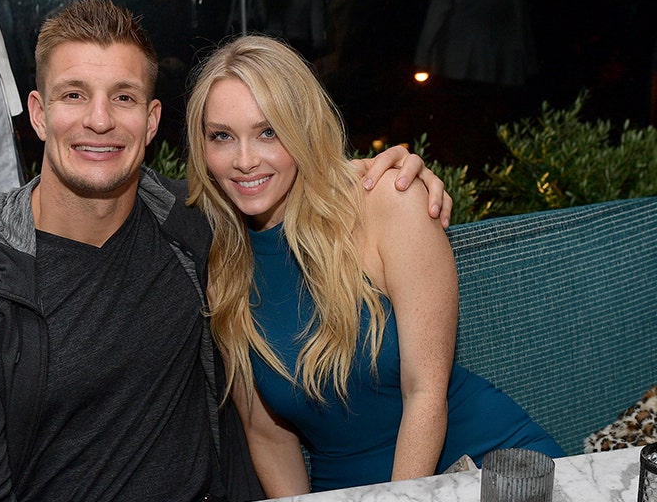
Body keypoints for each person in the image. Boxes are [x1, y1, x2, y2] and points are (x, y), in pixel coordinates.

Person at [0, 0, 451, 501]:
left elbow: (289, 184)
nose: (100, 119)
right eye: (74, 95)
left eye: (123, 97)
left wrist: (379, 179)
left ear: (151, 121)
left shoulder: (195, 228)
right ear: (40, 115)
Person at [185, 34, 565, 497]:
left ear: (303, 129)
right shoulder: (221, 267)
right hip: (345, 487)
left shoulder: (387, 200)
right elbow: (268, 436)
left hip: (486, 465)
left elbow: (425, 393)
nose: (244, 161)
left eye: (269, 131)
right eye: (222, 136)